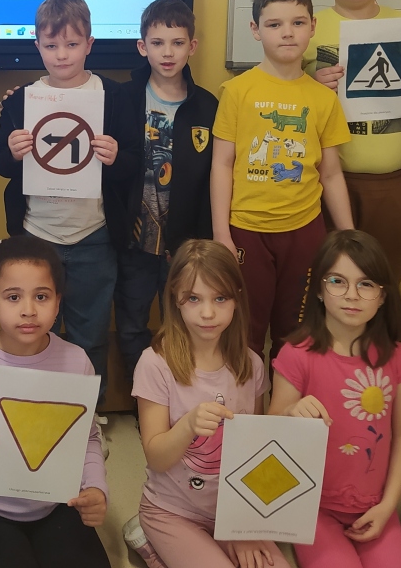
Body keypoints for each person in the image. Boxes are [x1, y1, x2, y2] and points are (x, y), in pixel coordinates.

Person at [0, 0, 140, 403]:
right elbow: (1, 164)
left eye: (72, 44)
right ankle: (35, 408)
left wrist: (115, 156)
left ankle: (88, 414)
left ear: (90, 44)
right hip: (37, 234)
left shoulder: (114, 96)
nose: (61, 54)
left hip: (94, 235)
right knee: (35, 331)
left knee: (91, 333)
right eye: (51, 45)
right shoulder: (21, 99)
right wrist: (14, 151)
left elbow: (134, 161)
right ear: (37, 45)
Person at [0, 236, 110, 568]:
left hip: (56, 502)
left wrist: (96, 488)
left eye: (41, 296)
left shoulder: (77, 361)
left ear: (57, 303)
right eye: (13, 297)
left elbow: (87, 439)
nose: (28, 309)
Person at [211, 0, 353, 360]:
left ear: (312, 26)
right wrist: (222, 233)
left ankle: (286, 399)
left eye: (297, 22)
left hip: (305, 231)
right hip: (247, 230)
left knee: (297, 332)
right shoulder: (236, 91)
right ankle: (248, 399)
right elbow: (222, 164)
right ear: (256, 30)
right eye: (274, 24)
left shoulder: (323, 99)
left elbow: (331, 173)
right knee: (246, 332)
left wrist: (348, 235)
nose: (287, 33)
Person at [130, 239, 288, 568]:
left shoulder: (250, 364)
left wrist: (243, 526)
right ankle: (150, 542)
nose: (207, 313)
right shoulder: (154, 364)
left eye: (220, 298)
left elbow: (255, 454)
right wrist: (188, 425)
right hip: (170, 510)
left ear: (236, 299)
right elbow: (156, 458)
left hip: (233, 509)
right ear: (175, 298)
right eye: (193, 298)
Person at [268, 230, 401, 568]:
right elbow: (271, 430)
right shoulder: (296, 355)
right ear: (319, 290)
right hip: (311, 507)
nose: (352, 295)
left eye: (366, 284)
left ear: (382, 296)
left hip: (375, 505)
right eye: (338, 281)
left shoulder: (398, 359)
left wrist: (388, 505)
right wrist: (290, 410)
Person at [303, 0, 401, 283]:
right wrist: (312, 85)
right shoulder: (307, 28)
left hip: (395, 181)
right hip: (326, 178)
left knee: (383, 278)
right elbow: (287, 94)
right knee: (330, 277)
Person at [116, 0, 219, 387]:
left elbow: (211, 181)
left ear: (192, 46)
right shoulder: (122, 99)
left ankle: (183, 396)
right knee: (131, 323)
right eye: (157, 43)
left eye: (177, 43)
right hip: (134, 243)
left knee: (185, 323)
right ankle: (142, 399)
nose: (168, 52)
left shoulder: (207, 106)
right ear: (142, 46)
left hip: (184, 244)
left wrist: (200, 241)